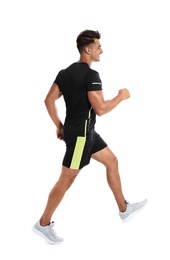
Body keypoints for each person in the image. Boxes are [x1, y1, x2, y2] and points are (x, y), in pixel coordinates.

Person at [32, 30, 148, 244]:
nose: (101, 50)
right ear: (88, 49)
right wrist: (121, 97)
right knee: (66, 180)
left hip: (86, 133)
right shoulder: (91, 75)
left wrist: (59, 126)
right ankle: (43, 223)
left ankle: (123, 208)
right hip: (80, 138)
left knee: (112, 161)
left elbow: (48, 100)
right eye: (98, 47)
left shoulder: (64, 73)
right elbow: (101, 109)